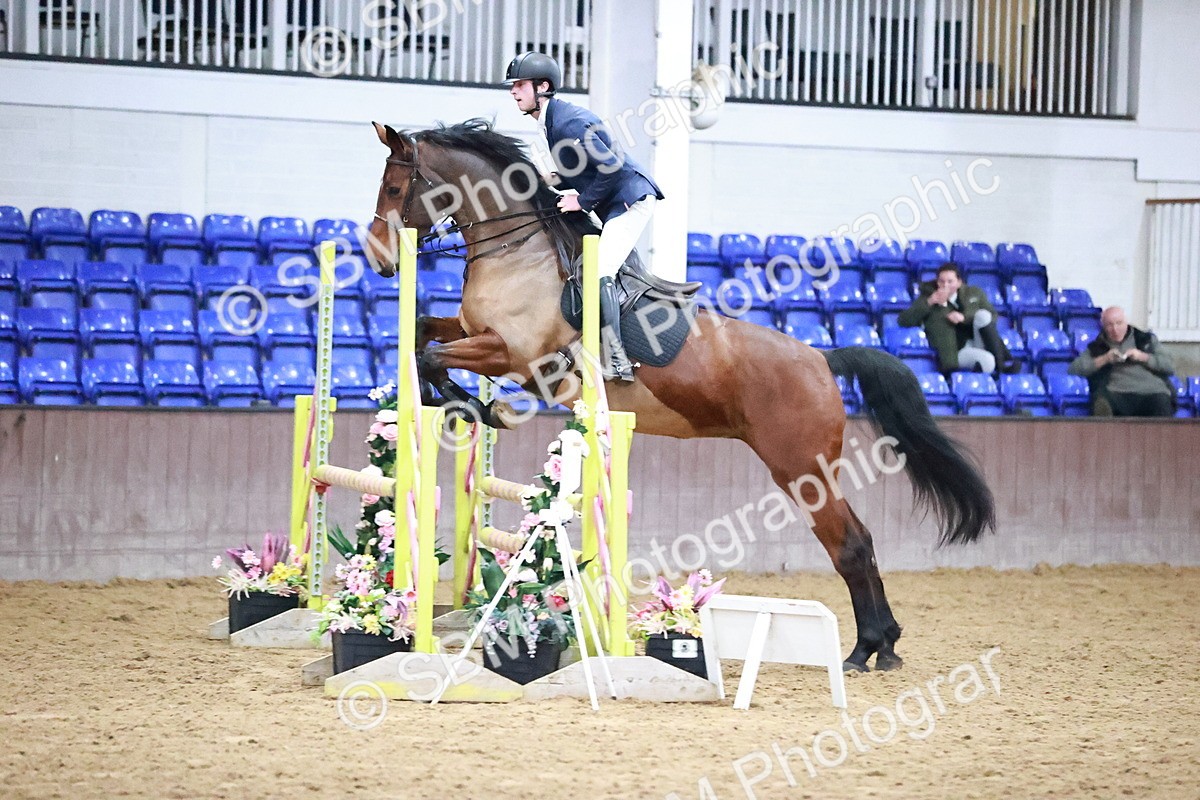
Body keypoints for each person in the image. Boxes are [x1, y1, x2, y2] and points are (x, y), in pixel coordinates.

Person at [504, 51, 664, 382]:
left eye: (519, 85)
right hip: (613, 198)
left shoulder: (567, 122)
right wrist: (549, 182)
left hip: (629, 199)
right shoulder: (550, 122)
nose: (514, 92)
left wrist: (583, 201)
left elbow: (611, 165)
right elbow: (580, 169)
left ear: (542, 87)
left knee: (599, 270)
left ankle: (618, 359)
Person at [897, 263, 1018, 377]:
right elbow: (904, 320)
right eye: (941, 281)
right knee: (988, 361)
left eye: (950, 281)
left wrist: (964, 318)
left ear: (959, 282)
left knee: (983, 315)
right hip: (956, 351)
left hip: (977, 339)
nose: (945, 285)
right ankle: (997, 368)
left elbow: (993, 316)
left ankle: (1001, 364)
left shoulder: (973, 293)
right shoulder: (928, 297)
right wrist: (929, 302)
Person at [1067, 306, 1175, 417]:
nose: (1115, 329)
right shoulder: (1097, 346)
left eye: (1119, 323)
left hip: (1151, 392)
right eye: (1110, 325)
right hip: (1116, 393)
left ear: (1126, 322)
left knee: (1161, 401)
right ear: (1103, 326)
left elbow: (1169, 366)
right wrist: (1105, 359)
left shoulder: (1145, 339)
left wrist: (1142, 357)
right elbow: (1074, 369)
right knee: (1101, 402)